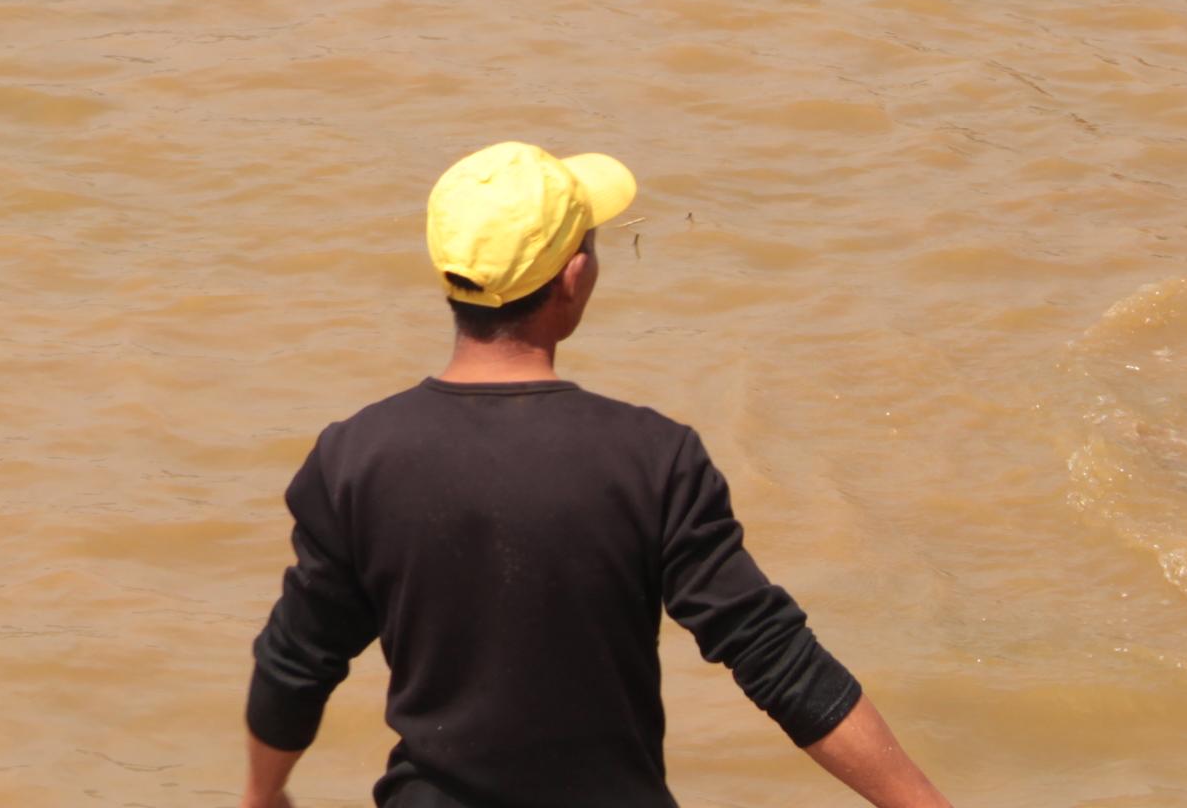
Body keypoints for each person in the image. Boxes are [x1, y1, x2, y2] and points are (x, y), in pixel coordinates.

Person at [241, 142, 957, 808]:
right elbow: (777, 660)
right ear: (574, 278)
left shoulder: (356, 457)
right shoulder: (653, 458)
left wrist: (263, 799)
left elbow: (294, 664)